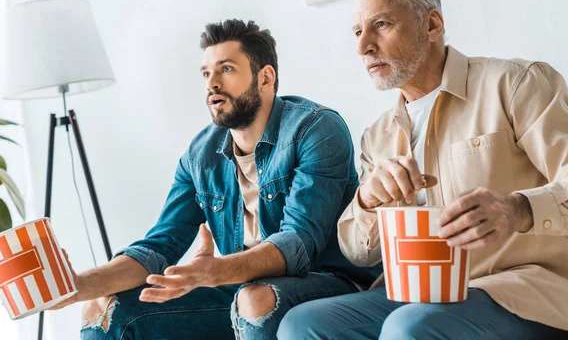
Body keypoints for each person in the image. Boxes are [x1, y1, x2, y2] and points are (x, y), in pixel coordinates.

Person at [278, 0, 568, 339]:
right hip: (424, 293)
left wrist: (518, 209)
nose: (363, 46)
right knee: (302, 324)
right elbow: (358, 252)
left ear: (432, 25)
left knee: (410, 326)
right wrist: (368, 200)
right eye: (357, 31)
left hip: (528, 290)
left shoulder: (515, 84)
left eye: (380, 25)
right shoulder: (377, 136)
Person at [54, 19, 379, 339]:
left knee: (256, 298)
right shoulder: (200, 155)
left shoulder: (315, 129)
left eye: (226, 69)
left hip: (328, 281)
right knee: (102, 308)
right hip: (239, 289)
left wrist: (216, 271)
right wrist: (76, 285)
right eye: (206, 73)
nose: (212, 84)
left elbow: (298, 246)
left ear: (265, 78)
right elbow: (157, 248)